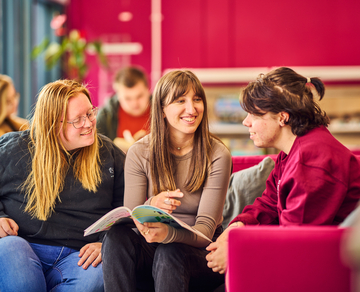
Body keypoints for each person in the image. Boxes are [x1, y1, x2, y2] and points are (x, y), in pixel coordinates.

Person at [206, 67, 360, 275]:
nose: (246, 122)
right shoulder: (292, 151)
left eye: (254, 114)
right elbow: (269, 203)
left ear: (282, 118)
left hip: (328, 266)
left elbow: (294, 244)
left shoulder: (313, 161)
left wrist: (236, 250)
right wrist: (236, 229)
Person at [102, 70, 232, 292]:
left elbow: (205, 231)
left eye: (197, 99)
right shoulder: (139, 151)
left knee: (170, 250)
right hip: (154, 244)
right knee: (115, 236)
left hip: (198, 253)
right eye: (180, 100)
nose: (191, 109)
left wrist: (169, 234)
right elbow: (133, 213)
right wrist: (151, 205)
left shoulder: (218, 154)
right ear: (161, 109)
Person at [0, 79, 125, 292]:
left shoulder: (109, 153)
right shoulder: (12, 148)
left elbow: (126, 211)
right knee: (10, 248)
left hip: (78, 256)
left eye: (90, 113)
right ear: (53, 123)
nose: (89, 123)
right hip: (23, 246)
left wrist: (106, 244)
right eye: (78, 119)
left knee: (99, 274)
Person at [96, 66, 151, 152]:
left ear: (148, 90)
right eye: (128, 98)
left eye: (139, 96)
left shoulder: (163, 111)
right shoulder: (105, 116)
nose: (135, 103)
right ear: (118, 96)